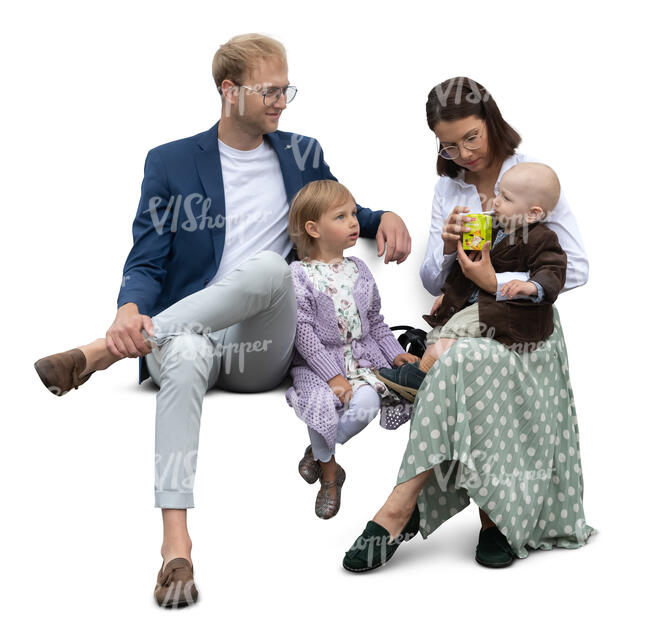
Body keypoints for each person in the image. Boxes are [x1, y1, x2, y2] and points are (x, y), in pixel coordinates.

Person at [32, 33, 411, 608]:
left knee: (269, 270)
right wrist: (128, 309)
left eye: (288, 89)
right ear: (228, 91)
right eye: (269, 90)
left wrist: (385, 216)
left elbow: (339, 209)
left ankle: (100, 354)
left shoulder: (300, 152)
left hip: (262, 346)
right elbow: (146, 257)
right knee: (182, 354)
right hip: (187, 338)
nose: (282, 101)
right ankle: (175, 548)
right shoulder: (170, 162)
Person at [342, 76, 594, 573]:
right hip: (465, 324)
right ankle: (491, 519)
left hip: (525, 333)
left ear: (491, 122)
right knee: (464, 361)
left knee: (457, 362)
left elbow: (575, 268)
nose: (462, 153)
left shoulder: (531, 178)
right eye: (449, 144)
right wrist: (445, 244)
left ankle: (399, 509)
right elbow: (432, 277)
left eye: (471, 138)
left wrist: (496, 279)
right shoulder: (448, 186)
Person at [376, 162, 567, 400]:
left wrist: (531, 286)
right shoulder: (492, 227)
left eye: (506, 198)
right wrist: (449, 293)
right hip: (477, 306)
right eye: (497, 193)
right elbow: (465, 268)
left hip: (508, 311)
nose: (495, 201)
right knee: (436, 334)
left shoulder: (542, 238)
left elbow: (553, 269)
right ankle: (431, 379)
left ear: (533, 213)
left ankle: (419, 381)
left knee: (446, 340)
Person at [284, 180, 417, 519]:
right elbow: (302, 331)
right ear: (313, 229)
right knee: (320, 405)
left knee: (367, 405)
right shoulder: (298, 275)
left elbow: (375, 322)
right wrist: (332, 378)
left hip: (362, 364)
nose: (354, 222)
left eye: (354, 214)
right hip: (318, 365)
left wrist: (393, 354)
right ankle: (331, 476)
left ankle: (318, 454)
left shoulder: (359, 270)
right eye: (341, 216)